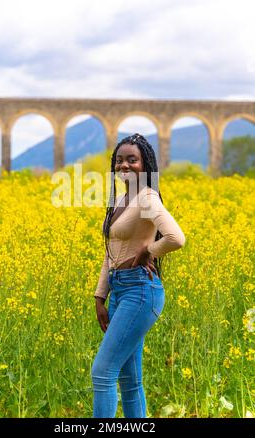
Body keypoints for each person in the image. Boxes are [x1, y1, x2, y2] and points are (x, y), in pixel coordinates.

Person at [91, 133, 186, 418]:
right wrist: (100, 295)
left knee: (102, 372)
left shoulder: (146, 197)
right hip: (121, 291)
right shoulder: (121, 199)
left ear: (145, 165)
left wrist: (150, 252)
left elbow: (176, 237)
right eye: (119, 160)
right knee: (130, 382)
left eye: (132, 160)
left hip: (141, 291)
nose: (124, 166)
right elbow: (111, 251)